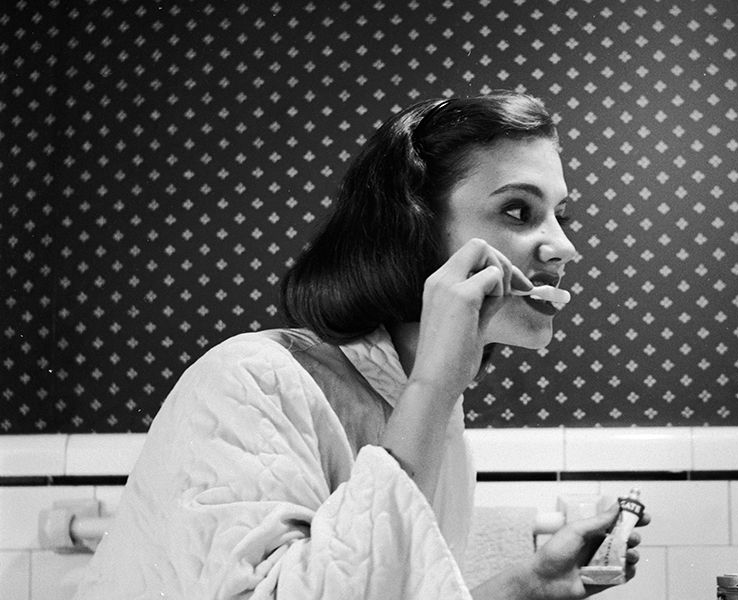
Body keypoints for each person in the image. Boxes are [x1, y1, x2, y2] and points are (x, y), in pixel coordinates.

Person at [74, 91, 649, 600]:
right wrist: (433, 385)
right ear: (415, 230)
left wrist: (529, 587)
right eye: (518, 211)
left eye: (562, 214)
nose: (563, 247)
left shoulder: (435, 419)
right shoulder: (249, 379)